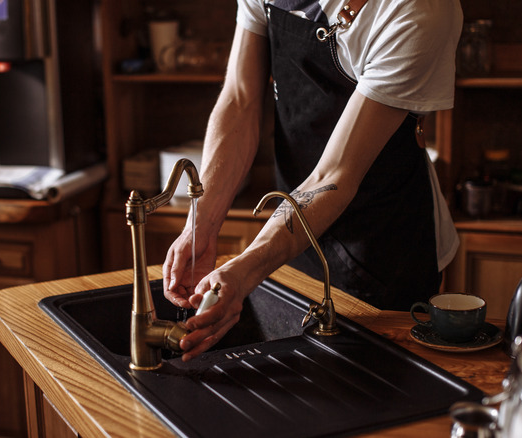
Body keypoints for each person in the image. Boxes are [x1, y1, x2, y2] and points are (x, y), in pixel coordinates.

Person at [162, 0, 463, 362]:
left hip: (384, 245)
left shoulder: (417, 9)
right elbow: (241, 99)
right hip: (289, 234)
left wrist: (245, 269)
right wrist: (202, 223)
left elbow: (336, 173)